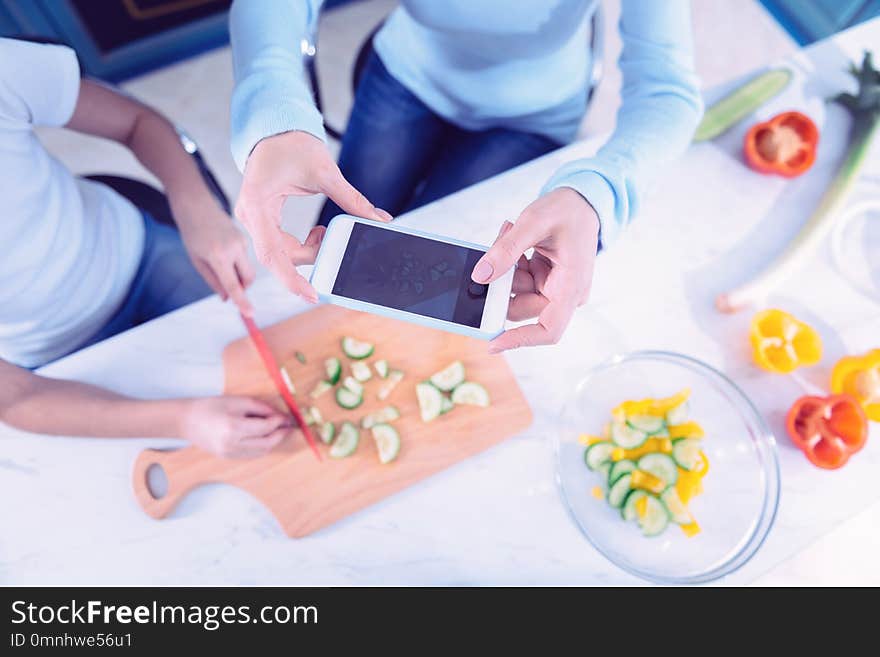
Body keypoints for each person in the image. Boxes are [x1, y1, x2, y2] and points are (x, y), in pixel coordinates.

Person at [229, 0, 702, 352]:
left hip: (530, 117)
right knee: (337, 244)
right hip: (405, 76)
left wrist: (598, 193)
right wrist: (273, 111)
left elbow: (668, 90)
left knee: (441, 277)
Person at [0, 38, 290, 457]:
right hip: (55, 356)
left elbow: (136, 122)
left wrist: (195, 207)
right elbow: (17, 398)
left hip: (143, 256)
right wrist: (184, 419)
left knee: (275, 379)